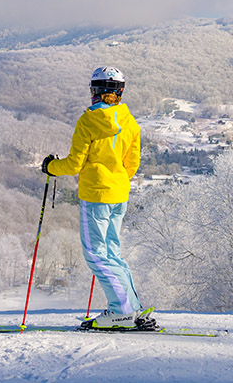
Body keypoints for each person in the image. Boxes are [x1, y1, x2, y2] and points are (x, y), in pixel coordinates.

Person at [41, 66, 155, 330]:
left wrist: (50, 167)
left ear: (95, 91)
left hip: (95, 196)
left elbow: (73, 165)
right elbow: (132, 164)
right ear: (119, 93)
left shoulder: (88, 122)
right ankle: (131, 307)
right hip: (119, 195)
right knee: (112, 253)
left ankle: (121, 311)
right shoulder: (129, 121)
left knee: (95, 255)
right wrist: (115, 180)